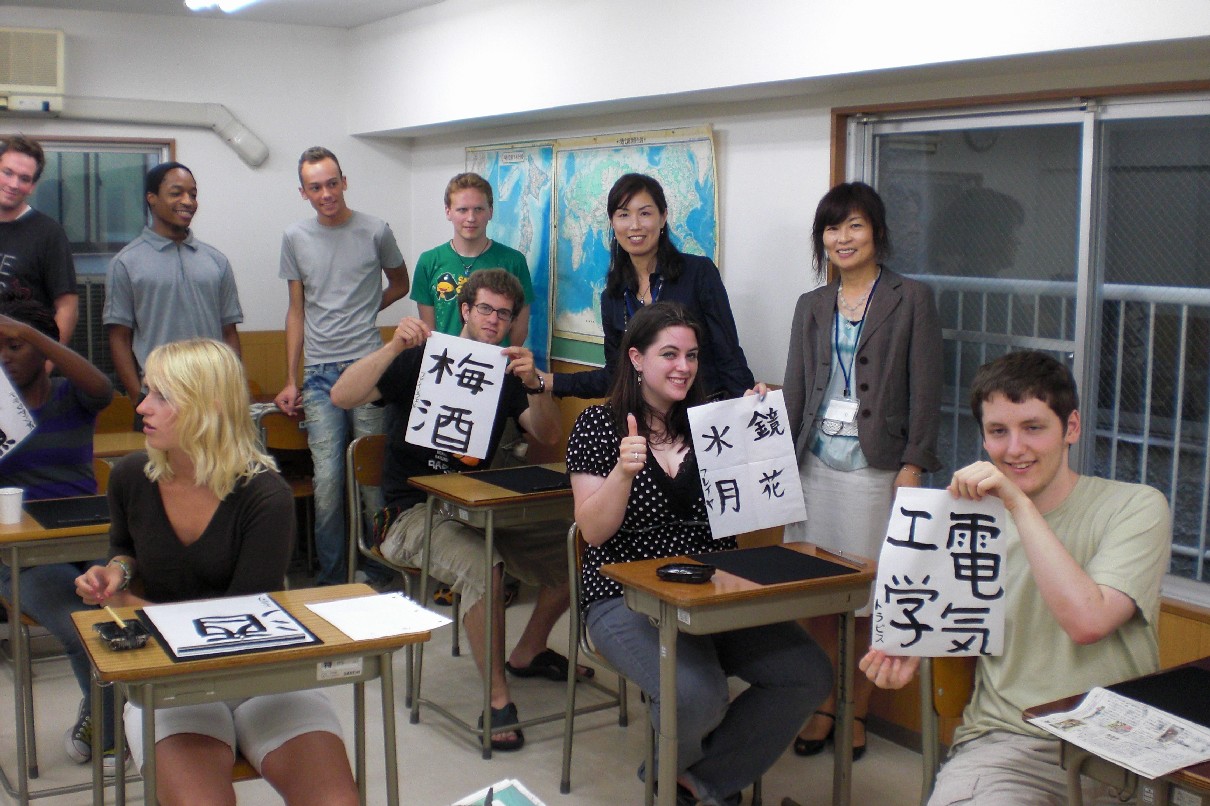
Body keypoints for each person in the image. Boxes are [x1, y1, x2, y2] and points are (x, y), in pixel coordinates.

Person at [862, 350, 1171, 806]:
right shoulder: (964, 525)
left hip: (1119, 748)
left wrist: (1017, 505)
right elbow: (953, 619)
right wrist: (917, 648)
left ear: (1072, 428)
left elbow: (1090, 621)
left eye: (1033, 427)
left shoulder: (1136, 506)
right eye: (997, 432)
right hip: (1007, 744)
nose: (1014, 449)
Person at [567, 301, 830, 806]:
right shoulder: (598, 426)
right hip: (623, 598)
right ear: (637, 359)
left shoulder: (716, 424)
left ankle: (693, 781)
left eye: (691, 355)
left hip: (712, 592)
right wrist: (624, 472)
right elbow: (595, 533)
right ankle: (685, 777)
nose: (683, 367)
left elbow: (758, 510)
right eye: (669, 354)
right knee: (698, 695)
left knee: (807, 675)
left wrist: (760, 430)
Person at [76, 339, 358, 806]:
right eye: (147, 391)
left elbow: (240, 622)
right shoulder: (130, 476)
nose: (143, 406)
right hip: (171, 681)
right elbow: (126, 550)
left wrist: (124, 605)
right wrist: (115, 574)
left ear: (207, 407)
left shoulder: (265, 495)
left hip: (263, 676)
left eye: (161, 396)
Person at [331, 268, 580, 752]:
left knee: (579, 543)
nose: (493, 321)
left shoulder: (505, 374)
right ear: (464, 310)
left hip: (476, 509)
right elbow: (342, 395)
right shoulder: (423, 360)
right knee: (483, 566)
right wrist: (392, 348)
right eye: (485, 309)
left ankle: (528, 650)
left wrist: (537, 385)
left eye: (504, 314)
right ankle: (497, 699)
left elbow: (548, 435)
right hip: (409, 513)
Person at [780, 181, 943, 760]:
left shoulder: (911, 297)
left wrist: (915, 462)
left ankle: (856, 711)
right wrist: (778, 459)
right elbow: (797, 388)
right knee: (817, 593)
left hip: (878, 473)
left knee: (874, 598)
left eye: (854, 225)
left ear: (876, 232)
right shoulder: (812, 304)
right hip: (814, 467)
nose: (842, 238)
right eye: (831, 228)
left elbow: (927, 389)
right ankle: (826, 702)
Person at [274, 146, 409, 586]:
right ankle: (333, 578)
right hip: (318, 374)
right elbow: (296, 311)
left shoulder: (376, 230)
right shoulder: (295, 237)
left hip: (369, 368)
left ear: (344, 181)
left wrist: (368, 309)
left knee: (371, 477)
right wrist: (289, 378)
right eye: (316, 187)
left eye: (333, 183)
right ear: (303, 192)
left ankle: (382, 570)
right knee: (329, 481)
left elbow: (400, 283)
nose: (327, 193)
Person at [0, 293, 115, 766]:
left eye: (15, 345)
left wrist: (31, 332)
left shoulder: (73, 396)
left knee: (122, 612)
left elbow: (105, 390)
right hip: (20, 554)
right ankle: (109, 728)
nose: (4, 355)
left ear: (43, 347)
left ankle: (105, 715)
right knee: (78, 625)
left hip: (88, 537)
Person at [543, 173, 754, 402]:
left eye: (645, 213)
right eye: (623, 214)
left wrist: (746, 403)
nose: (634, 225)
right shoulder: (612, 297)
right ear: (613, 223)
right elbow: (616, 374)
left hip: (702, 416)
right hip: (648, 425)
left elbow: (728, 354)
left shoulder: (698, 273)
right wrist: (549, 381)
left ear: (663, 218)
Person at [104, 161, 245, 403]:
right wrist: (139, 398)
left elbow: (229, 332)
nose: (188, 201)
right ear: (152, 198)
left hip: (214, 394)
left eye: (193, 194)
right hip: (159, 394)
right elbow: (119, 338)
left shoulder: (216, 261)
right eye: (176, 193)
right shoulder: (126, 263)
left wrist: (234, 389)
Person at [410, 172, 533, 345]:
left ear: (490, 212)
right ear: (448, 212)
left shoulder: (513, 261)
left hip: (496, 365)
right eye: (462, 209)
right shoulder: (429, 261)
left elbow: (519, 328)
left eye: (478, 209)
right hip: (446, 363)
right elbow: (429, 330)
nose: (471, 218)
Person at [0, 135, 78, 343]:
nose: (13, 184)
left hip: (24, 364)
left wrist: (48, 365)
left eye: (24, 178)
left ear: (32, 186)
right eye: (7, 173)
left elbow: (67, 307)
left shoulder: (48, 233)